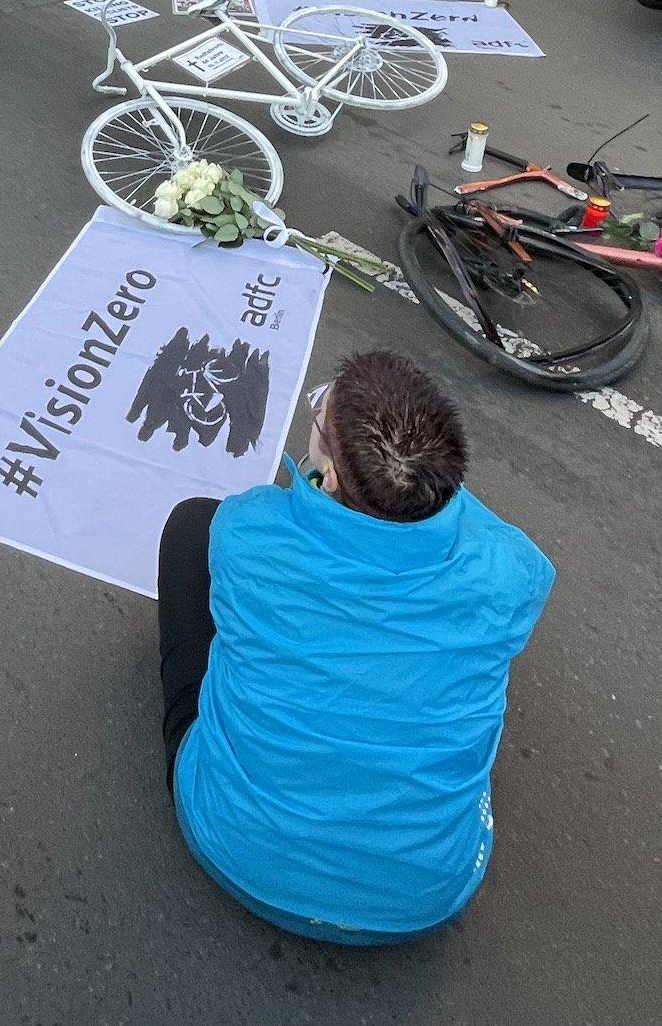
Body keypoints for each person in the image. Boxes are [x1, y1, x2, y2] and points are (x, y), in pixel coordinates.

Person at [160, 349, 551, 946]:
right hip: (424, 898)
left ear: (334, 477)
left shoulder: (245, 532)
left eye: (320, 416)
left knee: (190, 525)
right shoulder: (514, 572)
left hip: (234, 850)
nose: (315, 416)